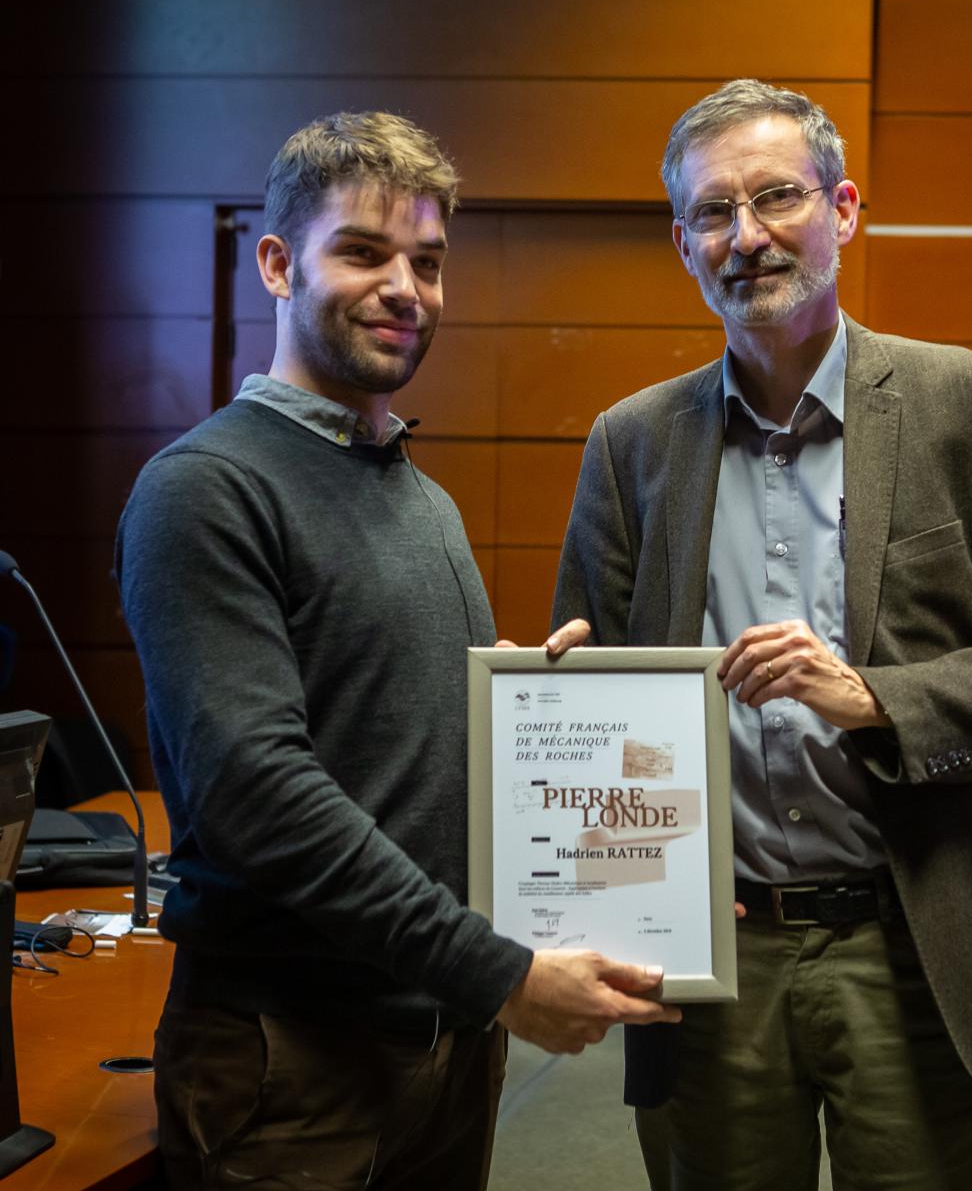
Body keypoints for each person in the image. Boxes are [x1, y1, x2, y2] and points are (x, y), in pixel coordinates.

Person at [551, 79, 972, 1190]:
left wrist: (876, 699)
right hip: (715, 956)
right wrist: (608, 830)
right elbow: (596, 688)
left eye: (777, 198)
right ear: (683, 244)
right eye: (714, 214)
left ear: (845, 208)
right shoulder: (630, 443)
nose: (748, 236)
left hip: (915, 941)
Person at [116, 110, 678, 1191]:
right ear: (277, 263)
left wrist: (534, 725)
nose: (405, 288)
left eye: (427, 261)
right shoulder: (206, 490)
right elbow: (257, 793)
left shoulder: (420, 499)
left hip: (442, 1050)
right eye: (364, 252)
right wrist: (503, 976)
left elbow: (394, 746)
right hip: (294, 1063)